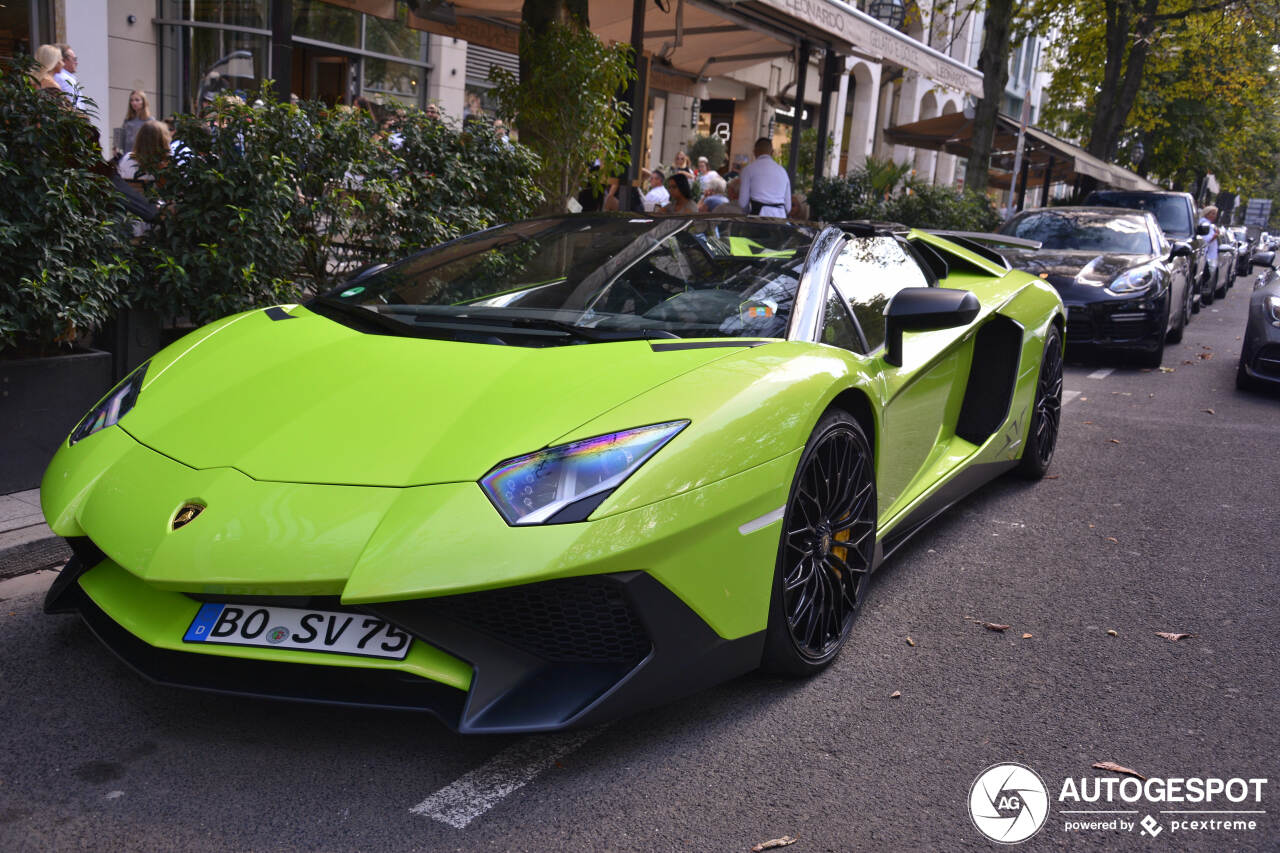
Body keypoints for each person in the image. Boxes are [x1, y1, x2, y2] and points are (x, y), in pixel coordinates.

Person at [737, 137, 791, 218]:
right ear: (772, 152)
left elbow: (743, 203)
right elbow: (788, 207)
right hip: (780, 219)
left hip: (758, 218)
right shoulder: (783, 172)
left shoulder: (748, 170)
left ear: (754, 152)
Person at [117, 90, 151, 156]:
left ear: (143, 102)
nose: (134, 103)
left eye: (137, 100)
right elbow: (121, 137)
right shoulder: (127, 120)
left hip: (143, 157)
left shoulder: (149, 120)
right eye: (131, 100)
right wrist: (116, 147)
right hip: (127, 156)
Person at [1200, 205, 1220, 297]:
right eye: (1212, 213)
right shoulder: (1204, 224)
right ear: (1207, 214)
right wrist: (1215, 236)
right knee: (1205, 276)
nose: (1214, 216)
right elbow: (1205, 240)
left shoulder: (1209, 225)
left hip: (1210, 255)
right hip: (1206, 255)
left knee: (1206, 276)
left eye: (1215, 214)